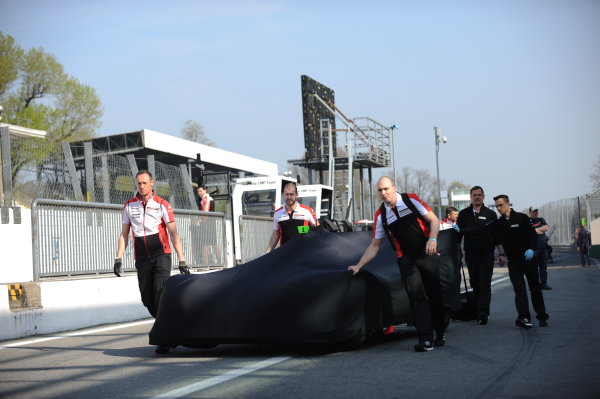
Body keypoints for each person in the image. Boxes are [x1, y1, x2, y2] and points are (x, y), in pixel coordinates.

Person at [348, 176, 447, 352]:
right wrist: (358, 266)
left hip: (426, 252)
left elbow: (434, 220)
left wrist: (432, 239)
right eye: (380, 190)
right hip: (406, 258)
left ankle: (439, 331)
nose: (384, 193)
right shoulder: (381, 215)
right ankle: (425, 338)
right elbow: (374, 245)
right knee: (416, 297)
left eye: (386, 189)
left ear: (394, 188)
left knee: (435, 295)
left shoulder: (411, 200)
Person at [113, 170, 188, 354]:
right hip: (142, 258)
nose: (142, 186)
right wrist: (118, 258)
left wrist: (182, 259)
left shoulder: (162, 204)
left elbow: (173, 234)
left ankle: (164, 338)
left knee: (159, 294)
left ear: (152, 183)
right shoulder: (129, 206)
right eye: (139, 183)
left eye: (145, 183)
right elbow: (124, 234)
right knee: (147, 298)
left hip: (161, 255)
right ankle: (171, 327)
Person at [490, 194, 549, 328]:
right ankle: (523, 317)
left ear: (508, 203)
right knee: (519, 289)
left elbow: (533, 236)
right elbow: (482, 229)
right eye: (496, 206)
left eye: (501, 205)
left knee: (535, 288)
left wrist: (532, 249)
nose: (498, 208)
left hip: (528, 260)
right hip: (514, 262)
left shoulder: (522, 218)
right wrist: (457, 229)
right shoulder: (499, 223)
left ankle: (542, 316)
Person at [456, 186, 505, 326]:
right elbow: (458, 236)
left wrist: (501, 253)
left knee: (484, 283)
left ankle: (483, 313)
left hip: (487, 255)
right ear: (471, 197)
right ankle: (478, 310)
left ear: (483, 197)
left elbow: (496, 236)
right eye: (474, 195)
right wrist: (457, 252)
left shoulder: (490, 214)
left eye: (479, 195)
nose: (477, 197)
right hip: (471, 255)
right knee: (475, 283)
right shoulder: (464, 214)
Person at [266, 182, 318, 252]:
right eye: (287, 194)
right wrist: (268, 251)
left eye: (292, 194)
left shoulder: (307, 211)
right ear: (283, 195)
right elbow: (275, 235)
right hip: (285, 253)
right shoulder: (277, 213)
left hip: (304, 253)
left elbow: (318, 230)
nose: (289, 197)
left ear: (297, 195)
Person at [529, 206, 551, 289]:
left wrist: (535, 230)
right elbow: (529, 231)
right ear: (530, 212)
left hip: (543, 248)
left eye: (536, 211)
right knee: (533, 269)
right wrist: (540, 230)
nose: (536, 212)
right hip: (533, 249)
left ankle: (544, 284)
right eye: (534, 211)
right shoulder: (528, 220)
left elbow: (546, 228)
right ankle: (535, 285)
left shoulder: (541, 219)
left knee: (543, 268)